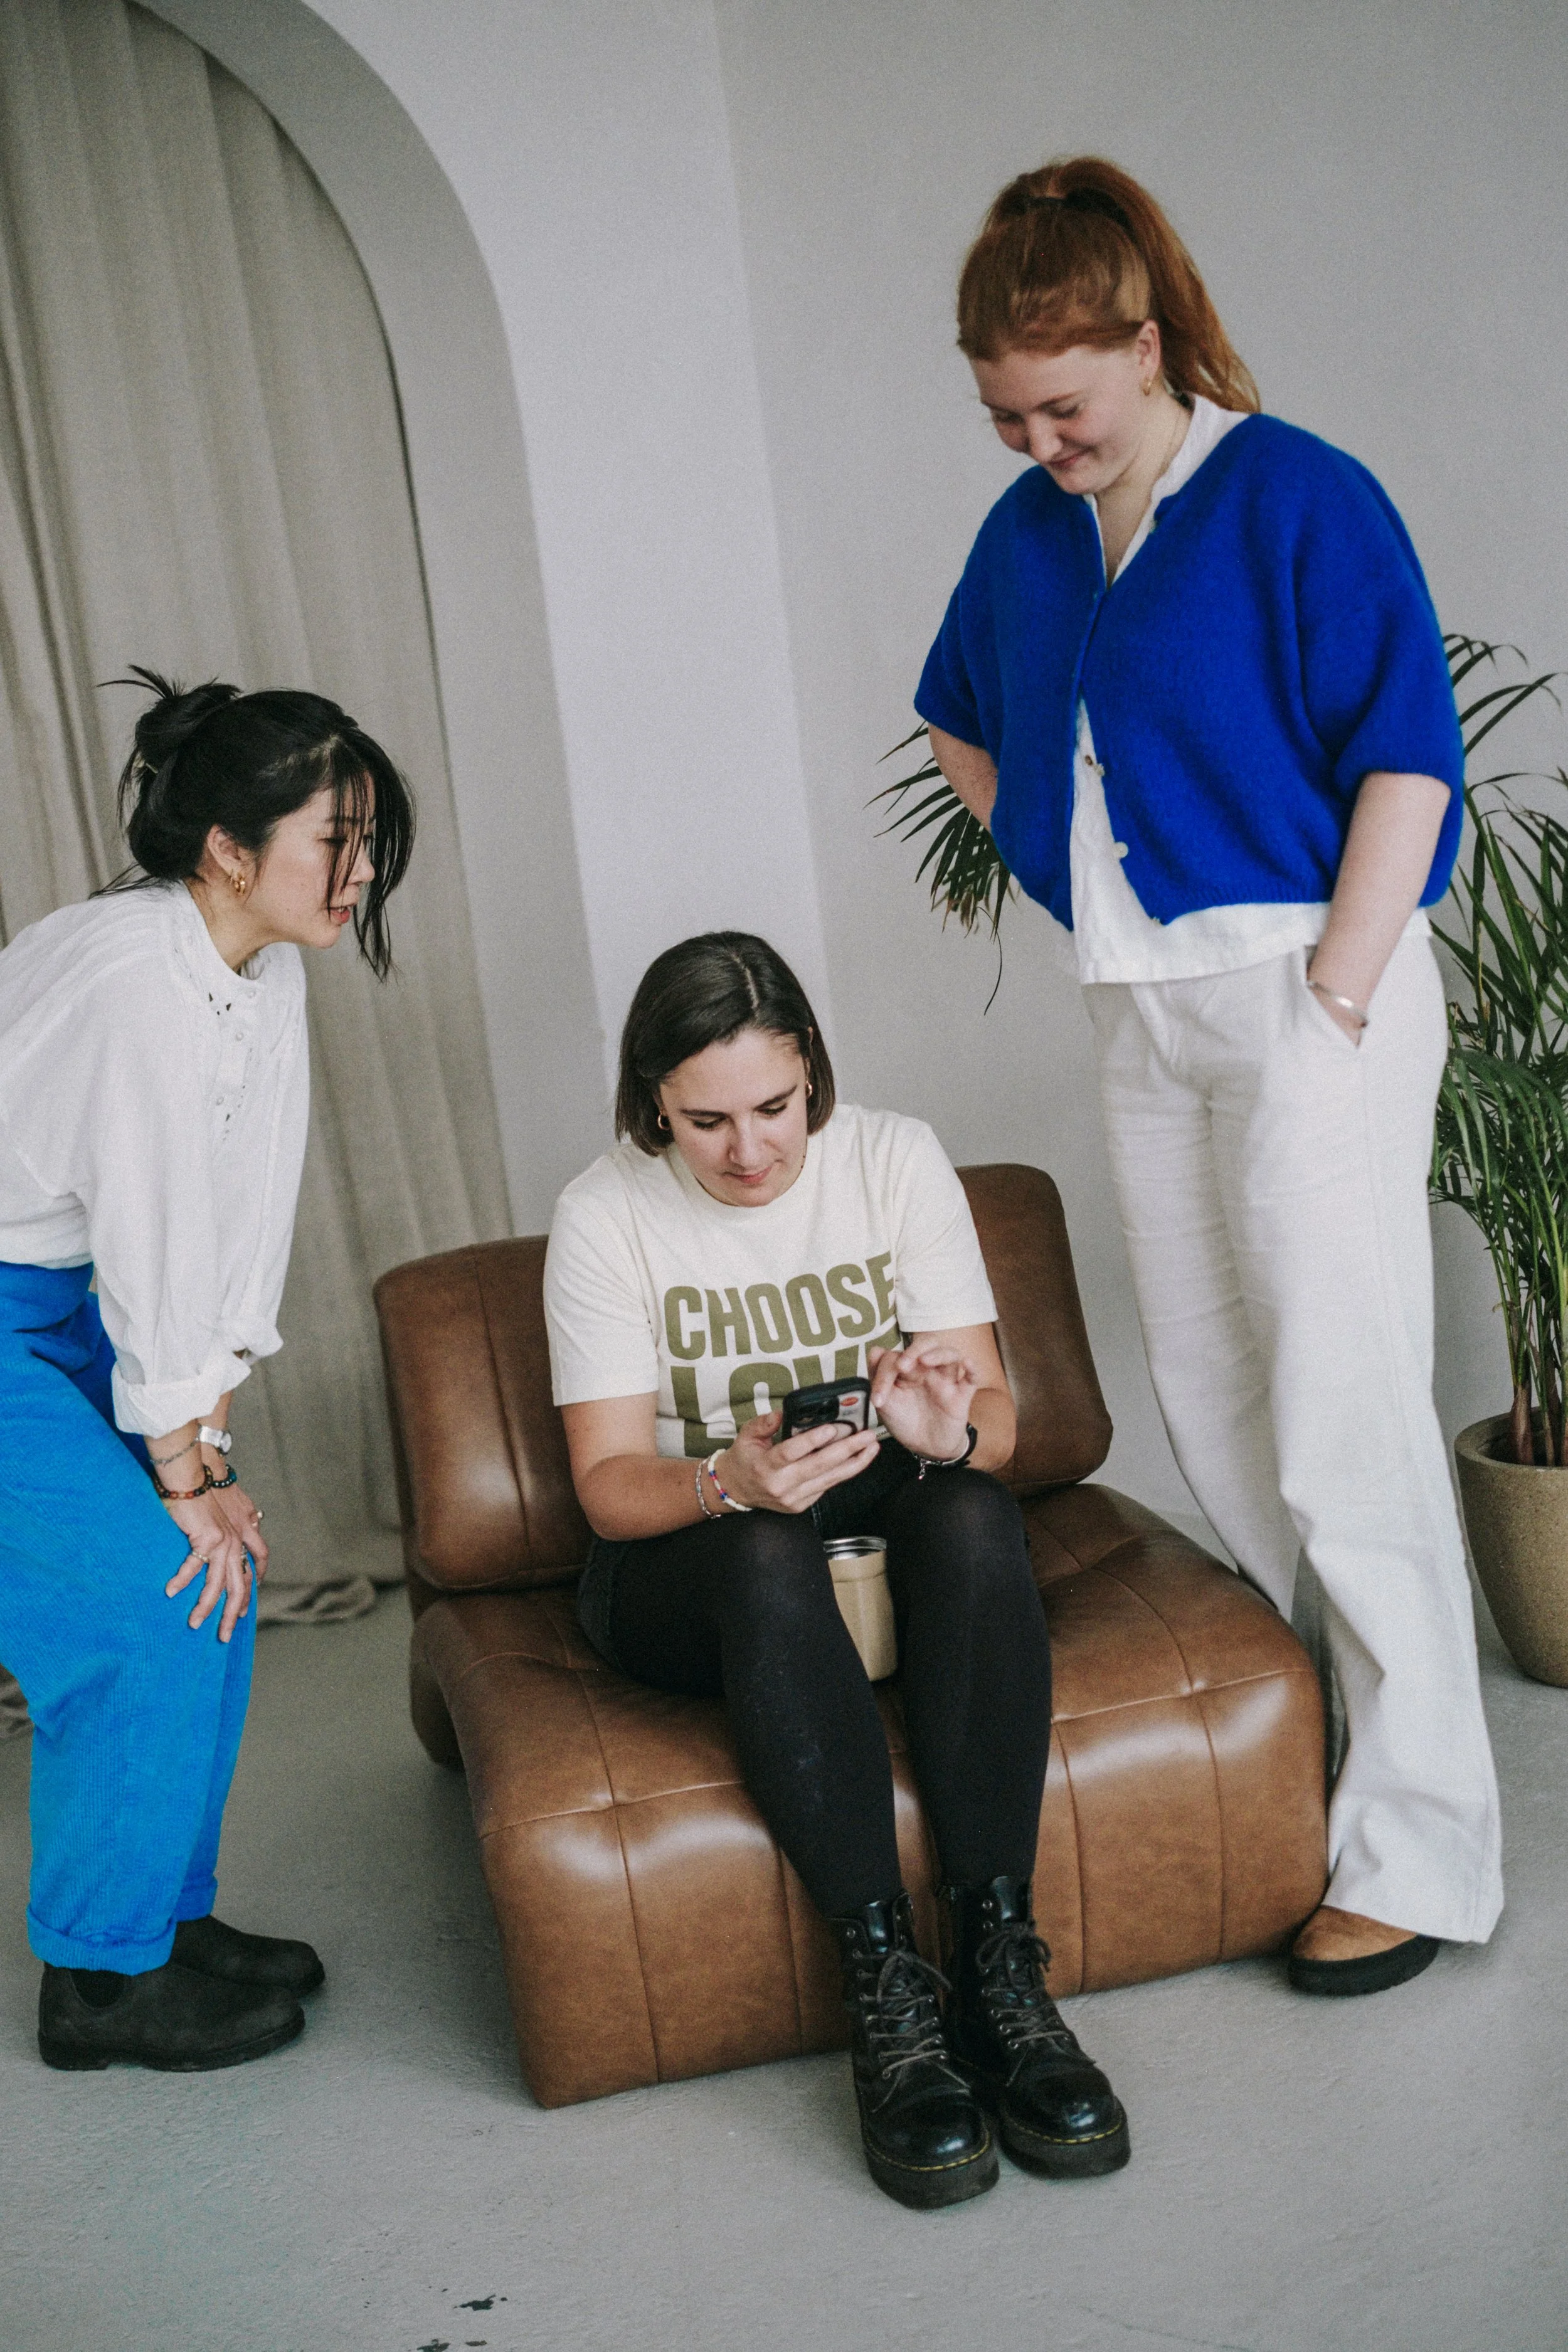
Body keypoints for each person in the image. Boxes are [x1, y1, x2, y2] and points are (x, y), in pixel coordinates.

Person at [915, 156, 1502, 1995]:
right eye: (1005, 413)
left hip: (1297, 990)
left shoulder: (1294, 494)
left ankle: (1423, 1849)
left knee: (1341, 1406)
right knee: (1217, 1397)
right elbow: (957, 712)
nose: (1037, 439)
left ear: (1145, 341)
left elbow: (1404, 754)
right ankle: (1304, 1767)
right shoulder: (1027, 528)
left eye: (1064, 404)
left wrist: (1332, 987)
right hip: (1142, 1008)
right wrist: (1062, 877)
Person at [544, 931, 1129, 2208]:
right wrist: (723, 1478)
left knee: (972, 1511)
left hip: (869, 1506)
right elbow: (603, 1482)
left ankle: (995, 1969)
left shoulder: (890, 1159)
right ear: (653, 1100)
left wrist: (946, 1432)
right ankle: (886, 1996)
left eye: (772, 1108)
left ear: (809, 1071)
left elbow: (1002, 1424)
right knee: (759, 1548)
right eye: (704, 1122)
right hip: (687, 1548)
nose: (747, 1153)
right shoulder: (603, 1216)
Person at [0, 667, 413, 2071]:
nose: (357, 871)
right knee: (145, 1603)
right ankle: (94, 1994)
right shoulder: (137, 985)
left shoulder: (255, 959)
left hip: (64, 1304)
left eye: (365, 839)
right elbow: (153, 1235)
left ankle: (157, 1922)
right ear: (229, 849)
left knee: (215, 1587)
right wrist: (184, 1470)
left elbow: (236, 1221)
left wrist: (210, 1450)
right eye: (333, 840)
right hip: (21, 1305)